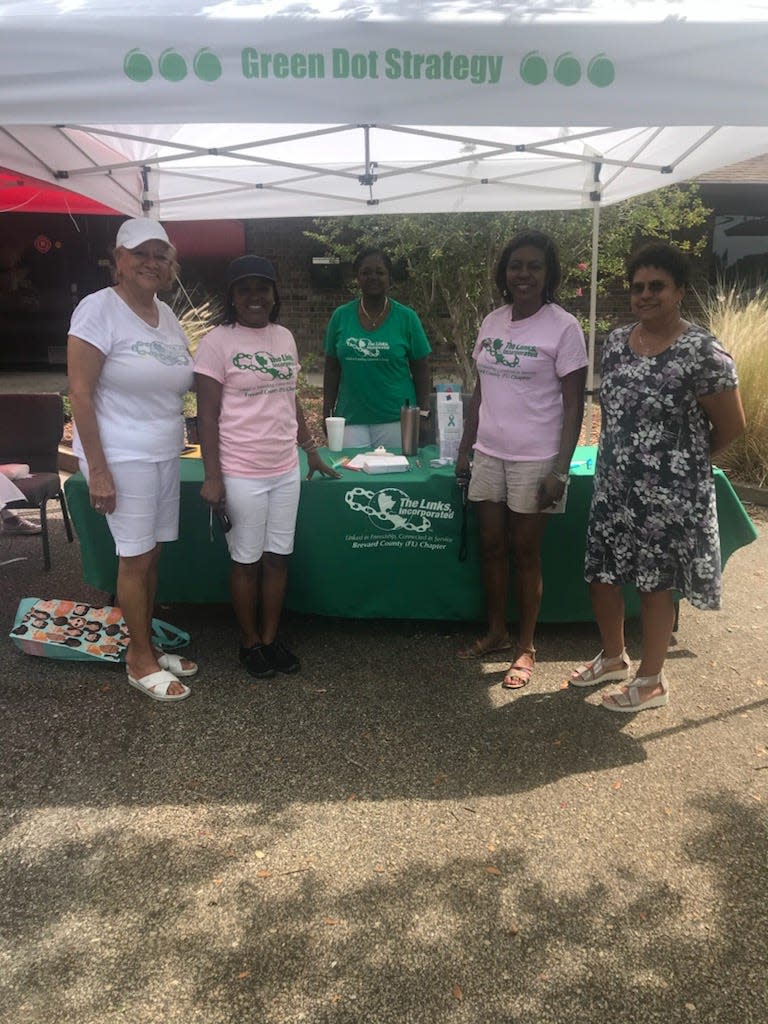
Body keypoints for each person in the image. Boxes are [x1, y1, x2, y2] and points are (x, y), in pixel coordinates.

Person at [570, 242, 745, 711]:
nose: (645, 295)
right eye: (637, 287)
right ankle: (613, 658)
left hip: (669, 495)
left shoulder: (702, 350)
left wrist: (680, 464)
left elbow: (732, 425)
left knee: (653, 585)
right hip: (613, 486)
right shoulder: (616, 341)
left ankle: (651, 682)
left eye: (657, 286)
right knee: (602, 575)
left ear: (679, 290)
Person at [67, 218, 197, 703]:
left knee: (151, 553)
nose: (151, 262)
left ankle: (145, 642)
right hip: (121, 455)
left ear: (170, 265)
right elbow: (79, 394)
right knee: (135, 556)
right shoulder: (97, 309)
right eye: (140, 252)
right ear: (117, 259)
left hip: (164, 451)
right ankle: (138, 660)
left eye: (160, 254)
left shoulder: (167, 314)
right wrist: (97, 469)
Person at [194, 255, 339, 679]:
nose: (254, 296)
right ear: (232, 297)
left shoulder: (285, 337)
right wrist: (212, 476)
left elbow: (289, 397)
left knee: (278, 558)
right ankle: (249, 642)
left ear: (274, 294)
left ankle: (272, 638)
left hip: (283, 468)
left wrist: (310, 448)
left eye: (262, 288)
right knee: (246, 561)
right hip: (241, 470)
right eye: (244, 289)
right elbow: (206, 415)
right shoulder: (217, 342)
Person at [455, 230, 588, 689]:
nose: (524, 274)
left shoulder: (564, 327)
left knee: (525, 553)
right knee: (491, 547)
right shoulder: (492, 321)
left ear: (549, 273)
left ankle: (526, 646)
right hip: (489, 453)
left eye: (534, 266)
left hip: (537, 459)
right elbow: (480, 390)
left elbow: (575, 405)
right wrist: (464, 448)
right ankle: (496, 631)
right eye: (516, 266)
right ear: (504, 273)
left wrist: (560, 469)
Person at [323, 247, 432, 449]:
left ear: (389, 277)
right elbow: (331, 369)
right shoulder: (341, 316)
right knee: (352, 479)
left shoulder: (406, 318)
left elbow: (422, 370)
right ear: (357, 277)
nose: (373, 277)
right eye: (366, 272)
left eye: (380, 272)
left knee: (397, 479)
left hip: (397, 419)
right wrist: (326, 412)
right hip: (351, 419)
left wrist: (423, 413)